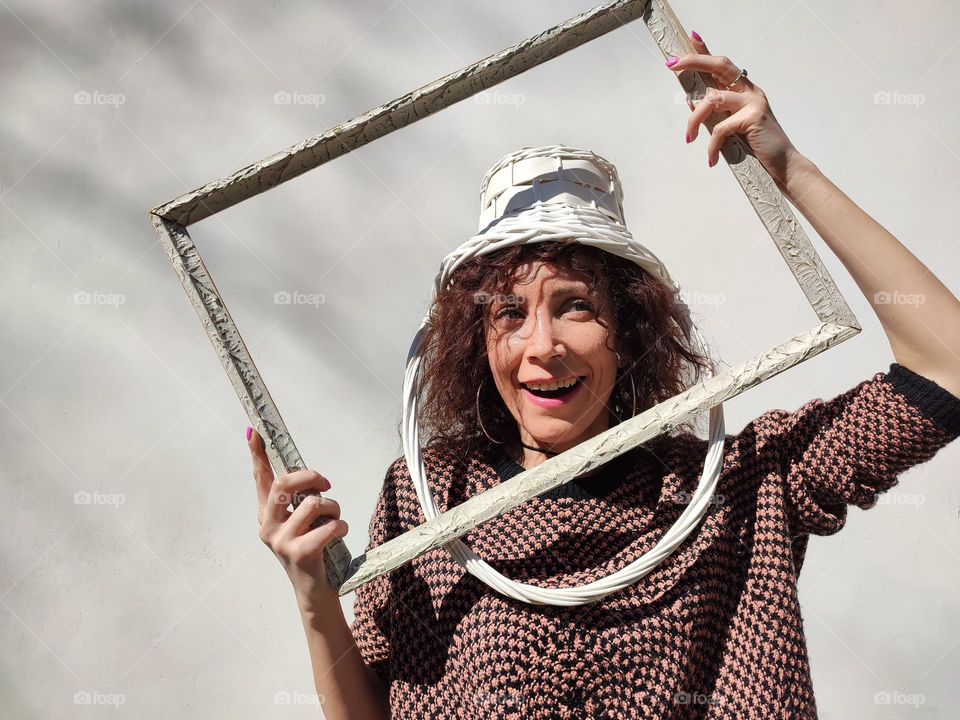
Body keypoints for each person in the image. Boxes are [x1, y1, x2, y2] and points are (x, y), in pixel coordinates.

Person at [248, 32, 960, 720]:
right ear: (475, 340)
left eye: (575, 307)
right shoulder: (429, 498)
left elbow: (948, 365)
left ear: (629, 332)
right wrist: (313, 595)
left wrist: (787, 167)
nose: (542, 346)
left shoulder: (743, 483)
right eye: (509, 314)